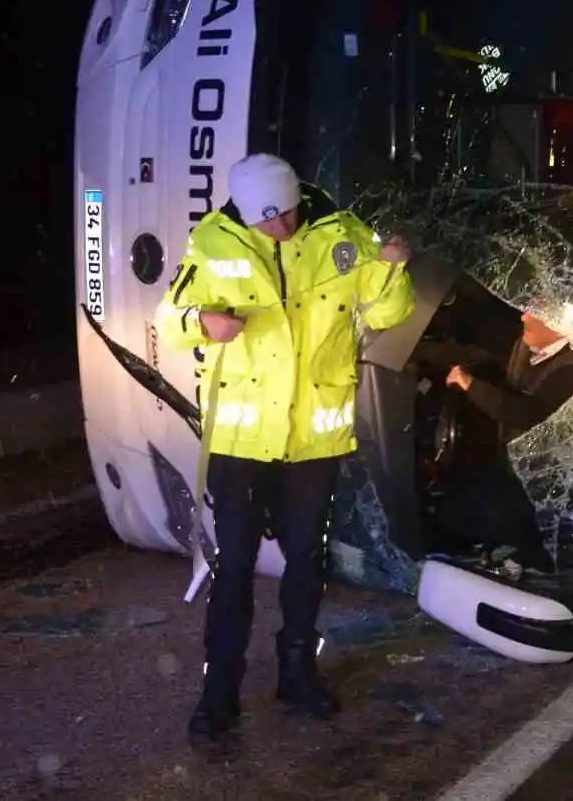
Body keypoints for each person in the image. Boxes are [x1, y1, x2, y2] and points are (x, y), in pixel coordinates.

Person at [154, 152, 414, 745]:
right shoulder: (214, 243)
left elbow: (388, 312)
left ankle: (298, 670)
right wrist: (206, 321)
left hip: (314, 439)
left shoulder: (342, 235)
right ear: (244, 214)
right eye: (264, 220)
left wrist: (393, 270)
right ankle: (219, 691)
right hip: (242, 441)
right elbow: (170, 319)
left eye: (284, 213)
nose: (277, 228)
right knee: (235, 567)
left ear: (297, 196)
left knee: (307, 562)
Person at [437, 307, 573, 571]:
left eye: (535, 312)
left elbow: (528, 413)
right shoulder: (528, 344)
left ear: (560, 324)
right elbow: (489, 360)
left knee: (518, 526)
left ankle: (537, 567)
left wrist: (470, 384)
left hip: (546, 472)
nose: (524, 316)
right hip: (513, 460)